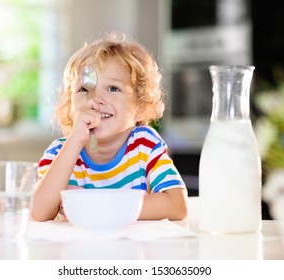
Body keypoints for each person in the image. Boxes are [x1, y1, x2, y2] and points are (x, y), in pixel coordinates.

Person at [30, 32, 188, 222]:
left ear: (139, 107)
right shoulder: (60, 152)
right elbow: (38, 212)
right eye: (83, 89)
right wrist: (75, 142)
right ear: (70, 106)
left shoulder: (144, 145)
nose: (96, 98)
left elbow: (177, 205)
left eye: (113, 88)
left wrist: (102, 208)